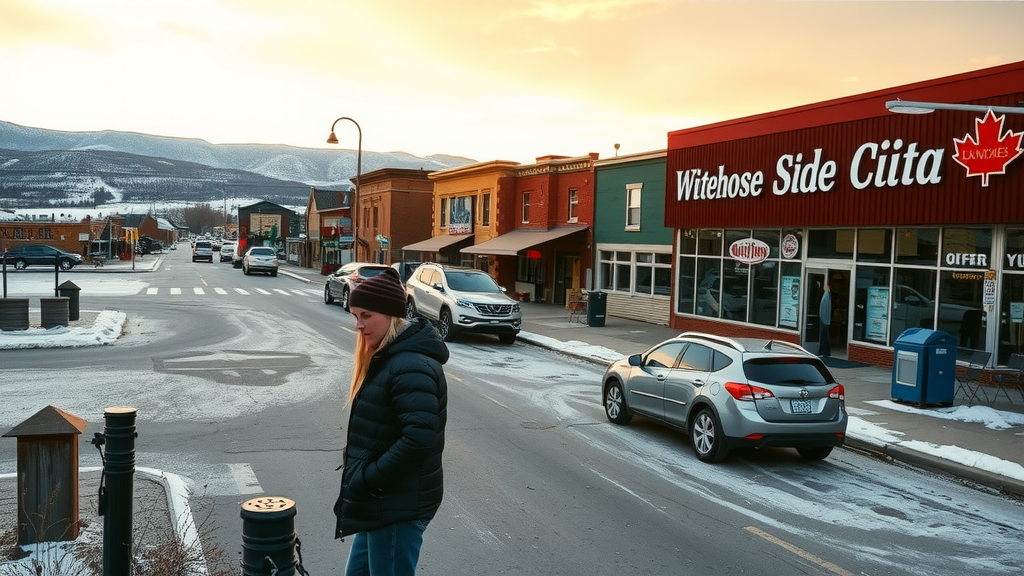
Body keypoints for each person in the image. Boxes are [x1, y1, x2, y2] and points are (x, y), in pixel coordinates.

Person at [333, 267, 449, 576]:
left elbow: (418, 439)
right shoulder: (388, 357)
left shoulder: (410, 364)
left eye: (366, 315)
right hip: (383, 500)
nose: (358, 325)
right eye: (355, 315)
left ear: (391, 314)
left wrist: (370, 478)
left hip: (397, 505)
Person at [819, 283, 832, 357]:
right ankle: (823, 351)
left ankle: (825, 352)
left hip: (824, 320)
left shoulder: (826, 297)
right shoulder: (827, 296)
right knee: (824, 336)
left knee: (824, 336)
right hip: (825, 320)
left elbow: (824, 309)